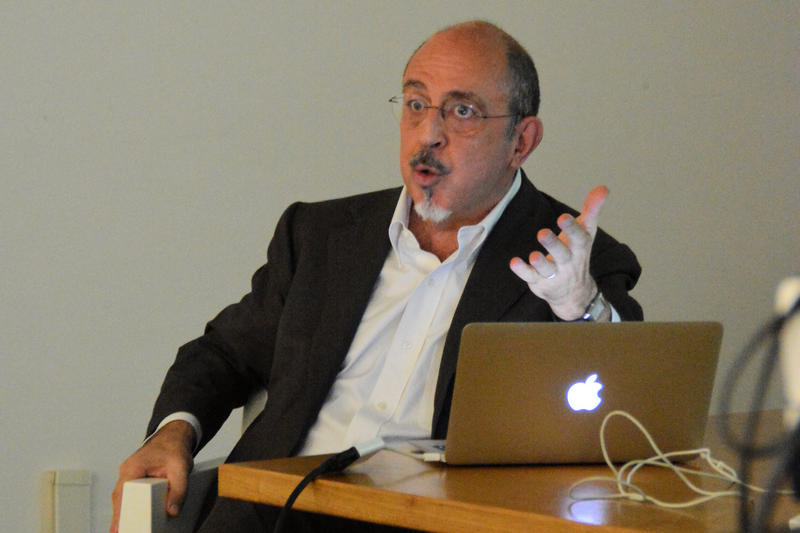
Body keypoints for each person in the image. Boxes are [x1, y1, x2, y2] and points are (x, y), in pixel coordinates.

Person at [111, 20, 642, 532]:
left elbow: (627, 412)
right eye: (416, 104)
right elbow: (225, 353)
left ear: (521, 141)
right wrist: (173, 433)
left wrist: (582, 307)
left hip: (428, 521)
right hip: (272, 512)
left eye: (462, 111)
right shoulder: (320, 235)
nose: (428, 134)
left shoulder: (571, 258)